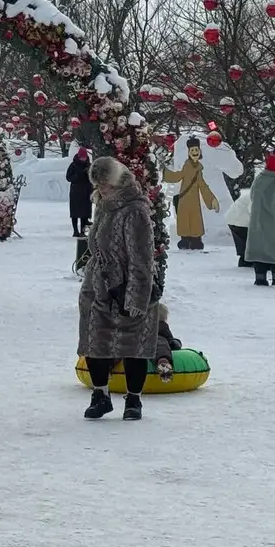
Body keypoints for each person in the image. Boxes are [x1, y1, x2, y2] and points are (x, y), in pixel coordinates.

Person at [78, 156, 158, 421]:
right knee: (94, 341)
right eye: (99, 185)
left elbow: (141, 257)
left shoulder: (135, 210)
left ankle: (133, 399)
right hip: (99, 285)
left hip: (128, 283)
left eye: (106, 185)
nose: (102, 190)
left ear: (119, 183)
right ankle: (100, 395)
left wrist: (136, 296)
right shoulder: (102, 205)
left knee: (132, 343)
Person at [245, 155, 275, 286]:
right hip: (272, 219)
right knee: (274, 247)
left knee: (259, 248)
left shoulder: (259, 179)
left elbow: (251, 196)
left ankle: (260, 278)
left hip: (256, 218)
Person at [161, 137, 219, 250]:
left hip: (194, 200)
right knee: (186, 220)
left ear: (200, 151)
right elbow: (178, 176)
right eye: (192, 150)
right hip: (184, 199)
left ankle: (195, 241)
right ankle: (186, 240)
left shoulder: (198, 168)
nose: (194, 153)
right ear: (188, 152)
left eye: (196, 150)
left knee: (195, 219)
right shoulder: (187, 166)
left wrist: (212, 200)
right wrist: (165, 173)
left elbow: (202, 186)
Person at [153, 301, 183, 382]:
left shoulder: (143, 325)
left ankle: (114, 363)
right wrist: (175, 343)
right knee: (161, 346)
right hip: (157, 343)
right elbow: (169, 339)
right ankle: (163, 363)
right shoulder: (163, 326)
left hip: (142, 344)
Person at [66, 148, 93, 237]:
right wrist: (77, 176)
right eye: (82, 157)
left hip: (86, 192)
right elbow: (68, 177)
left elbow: (92, 177)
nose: (83, 159)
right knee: (75, 213)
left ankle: (83, 231)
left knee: (84, 213)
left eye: (84, 157)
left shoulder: (89, 165)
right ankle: (75, 231)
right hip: (76, 192)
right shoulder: (73, 165)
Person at [225, 188, 253, 268]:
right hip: (240, 221)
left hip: (233, 219)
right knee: (248, 242)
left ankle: (245, 261)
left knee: (244, 243)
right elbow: (253, 210)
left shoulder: (254, 192)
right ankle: (246, 261)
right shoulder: (257, 195)